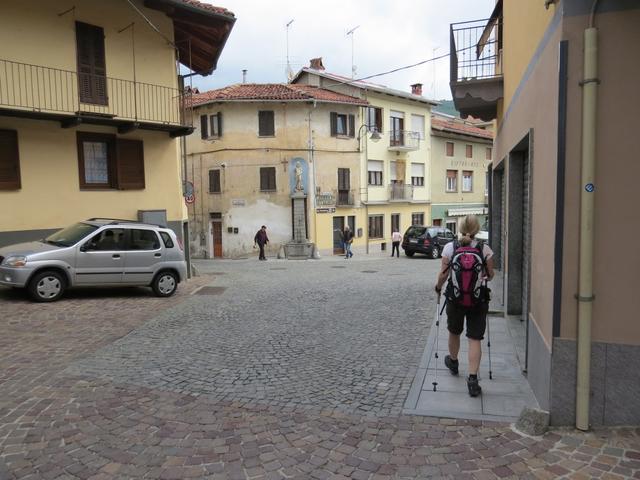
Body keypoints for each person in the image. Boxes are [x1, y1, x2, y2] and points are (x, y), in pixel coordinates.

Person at [435, 215, 494, 397]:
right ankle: (473, 380)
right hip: (478, 300)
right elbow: (490, 275)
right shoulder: (484, 249)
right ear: (477, 229)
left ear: (460, 228)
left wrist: (438, 287)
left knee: (454, 332)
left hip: (455, 298)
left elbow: (444, 274)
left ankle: (453, 362)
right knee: (475, 338)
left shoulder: (450, 248)